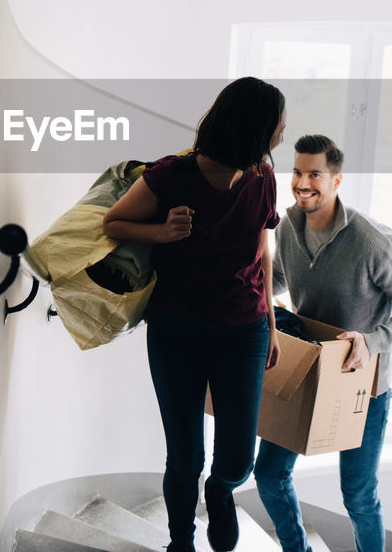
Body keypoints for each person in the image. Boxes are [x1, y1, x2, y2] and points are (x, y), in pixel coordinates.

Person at [103, 77, 287, 552]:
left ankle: (221, 493)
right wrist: (163, 233)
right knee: (185, 458)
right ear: (253, 129)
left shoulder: (263, 178)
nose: (282, 136)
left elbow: (260, 249)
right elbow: (114, 221)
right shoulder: (172, 174)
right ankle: (180, 541)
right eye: (277, 127)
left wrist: (269, 324)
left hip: (243, 332)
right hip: (176, 331)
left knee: (237, 460)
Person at [255, 134, 392, 552]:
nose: (303, 182)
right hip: (307, 372)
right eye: (298, 172)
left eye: (315, 174)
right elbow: (280, 278)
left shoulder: (372, 241)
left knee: (358, 495)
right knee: (268, 474)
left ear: (336, 180)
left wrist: (374, 341)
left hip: (362, 385)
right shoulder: (289, 224)